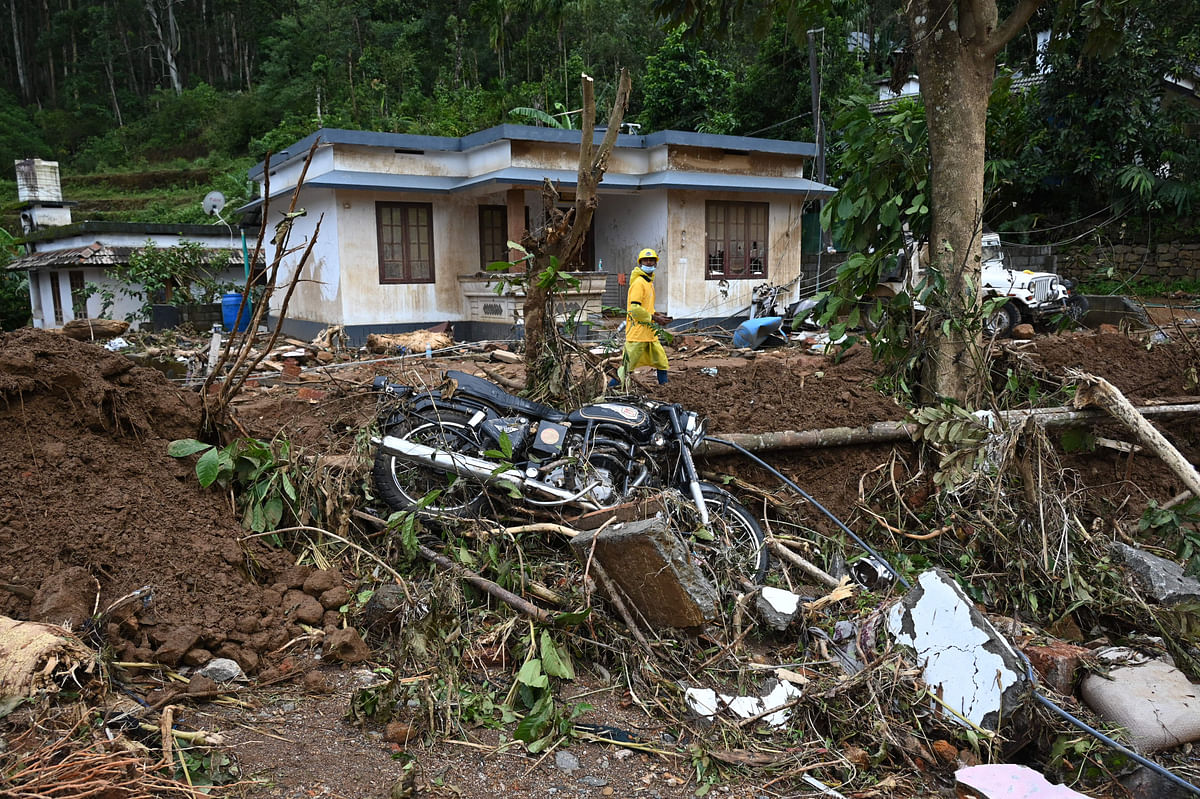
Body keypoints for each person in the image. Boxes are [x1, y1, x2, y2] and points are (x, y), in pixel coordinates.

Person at [611, 248, 672, 387]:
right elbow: (635, 309)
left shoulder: (648, 282)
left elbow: (646, 307)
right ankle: (610, 389)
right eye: (646, 260)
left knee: (662, 362)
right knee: (626, 368)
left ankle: (666, 388)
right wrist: (655, 319)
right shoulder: (639, 283)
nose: (649, 263)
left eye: (652, 260)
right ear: (640, 263)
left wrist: (657, 315)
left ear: (655, 263)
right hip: (638, 334)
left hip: (649, 334)